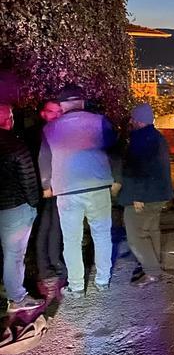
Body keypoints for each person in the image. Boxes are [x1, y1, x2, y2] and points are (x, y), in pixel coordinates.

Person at [41, 85, 117, 298]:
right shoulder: (100, 121)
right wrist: (116, 177)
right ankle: (102, 280)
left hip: (66, 190)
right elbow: (114, 149)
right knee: (101, 234)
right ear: (83, 102)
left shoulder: (50, 129)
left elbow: (44, 160)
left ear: (62, 105)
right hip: (98, 186)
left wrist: (46, 184)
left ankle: (76, 286)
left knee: (71, 240)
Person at [116, 104, 173, 287]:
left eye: (132, 119)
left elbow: (139, 169)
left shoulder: (140, 139)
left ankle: (152, 271)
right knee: (151, 231)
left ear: (138, 120)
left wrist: (137, 196)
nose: (131, 122)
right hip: (158, 194)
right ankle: (154, 266)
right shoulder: (157, 137)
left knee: (136, 236)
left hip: (143, 196)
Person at [0, 104, 42, 312]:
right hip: (14, 209)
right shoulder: (16, 146)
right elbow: (28, 179)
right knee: (14, 254)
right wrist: (34, 204)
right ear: (9, 120)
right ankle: (17, 297)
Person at [28, 101, 66, 298]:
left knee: (53, 227)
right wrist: (44, 185)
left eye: (60, 111)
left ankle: (53, 266)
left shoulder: (54, 131)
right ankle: (47, 269)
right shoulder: (38, 133)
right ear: (43, 113)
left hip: (54, 186)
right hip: (43, 189)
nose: (57, 115)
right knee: (45, 227)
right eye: (53, 112)